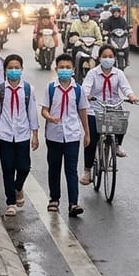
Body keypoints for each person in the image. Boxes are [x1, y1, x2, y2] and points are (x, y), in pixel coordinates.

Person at [80, 45, 139, 185]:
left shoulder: (118, 73)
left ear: (114, 58)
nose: (108, 59)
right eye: (105, 56)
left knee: (122, 119)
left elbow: (126, 88)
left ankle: (118, 145)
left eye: (110, 57)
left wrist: (131, 96)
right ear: (99, 58)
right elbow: (85, 88)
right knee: (92, 138)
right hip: (95, 108)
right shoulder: (92, 73)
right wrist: (87, 96)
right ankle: (87, 170)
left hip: (113, 106)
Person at [41, 54, 90, 218]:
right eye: (61, 67)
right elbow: (44, 110)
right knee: (54, 168)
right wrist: (49, 117)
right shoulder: (50, 88)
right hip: (54, 135)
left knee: (71, 169)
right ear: (56, 69)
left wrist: (86, 133)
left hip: (72, 135)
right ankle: (54, 199)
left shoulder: (78, 89)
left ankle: (73, 203)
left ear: (73, 70)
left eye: (68, 67)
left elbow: (82, 111)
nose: (64, 70)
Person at [0, 54, 39, 217]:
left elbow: (32, 112)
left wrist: (35, 134)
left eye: (16, 67)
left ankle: (18, 187)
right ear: (5, 70)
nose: (13, 70)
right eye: (10, 68)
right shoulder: (0, 89)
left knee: (24, 167)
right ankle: (10, 202)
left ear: (22, 69)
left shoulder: (27, 89)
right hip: (5, 134)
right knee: (8, 168)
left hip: (23, 134)